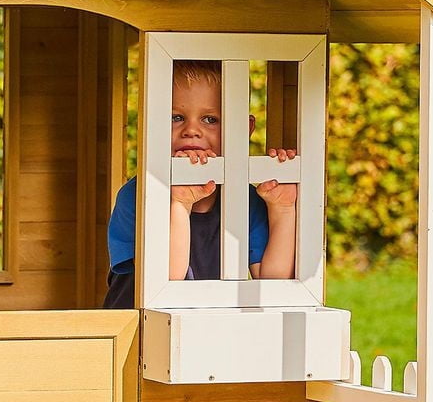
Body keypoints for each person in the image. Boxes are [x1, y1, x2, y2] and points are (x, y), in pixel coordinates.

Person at [103, 59, 298, 309]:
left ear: (244, 128)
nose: (191, 130)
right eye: (176, 117)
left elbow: (272, 280)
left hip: (207, 329)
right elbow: (165, 286)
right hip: (137, 332)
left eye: (210, 119)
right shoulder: (138, 195)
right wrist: (180, 204)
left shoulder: (243, 198)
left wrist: (282, 209)